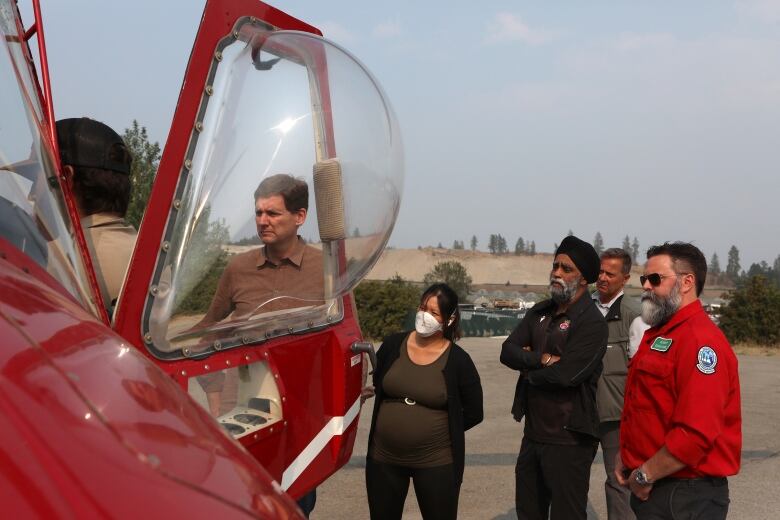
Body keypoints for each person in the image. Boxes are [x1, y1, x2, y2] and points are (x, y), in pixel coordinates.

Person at [616, 242, 741, 520]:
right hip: (656, 486)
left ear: (686, 282)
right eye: (644, 279)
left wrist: (645, 474)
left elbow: (695, 433)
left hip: (686, 495)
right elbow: (645, 405)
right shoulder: (662, 334)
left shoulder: (700, 341)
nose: (646, 286)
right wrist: (625, 455)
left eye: (655, 279)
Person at [500, 235, 608, 520]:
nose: (557, 273)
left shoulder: (592, 322)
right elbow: (507, 351)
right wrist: (541, 359)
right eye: (555, 265)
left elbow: (567, 376)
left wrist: (527, 371)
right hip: (533, 434)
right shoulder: (540, 311)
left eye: (566, 268)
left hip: (570, 440)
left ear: (584, 279)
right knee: (529, 512)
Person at [366, 283, 483, 520]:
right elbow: (379, 384)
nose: (424, 316)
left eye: (434, 312)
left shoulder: (459, 360)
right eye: (422, 308)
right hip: (384, 458)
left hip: (435, 462)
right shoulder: (392, 345)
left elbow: (474, 412)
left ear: (449, 320)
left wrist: (440, 432)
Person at [198, 173, 323, 327]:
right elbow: (208, 325)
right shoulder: (238, 267)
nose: (262, 222)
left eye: (272, 213)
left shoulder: (326, 268)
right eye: (259, 213)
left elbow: (347, 332)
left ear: (300, 217)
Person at [56, 117, 136, 313]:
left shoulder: (58, 261)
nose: (31, 194)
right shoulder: (150, 255)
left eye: (36, 177)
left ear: (66, 179)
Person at [592, 248, 645, 520]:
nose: (602, 278)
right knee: (568, 477)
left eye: (609, 274)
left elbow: (644, 373)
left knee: (618, 481)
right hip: (582, 411)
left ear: (625, 278)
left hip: (617, 416)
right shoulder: (583, 310)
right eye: (600, 271)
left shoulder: (635, 315)